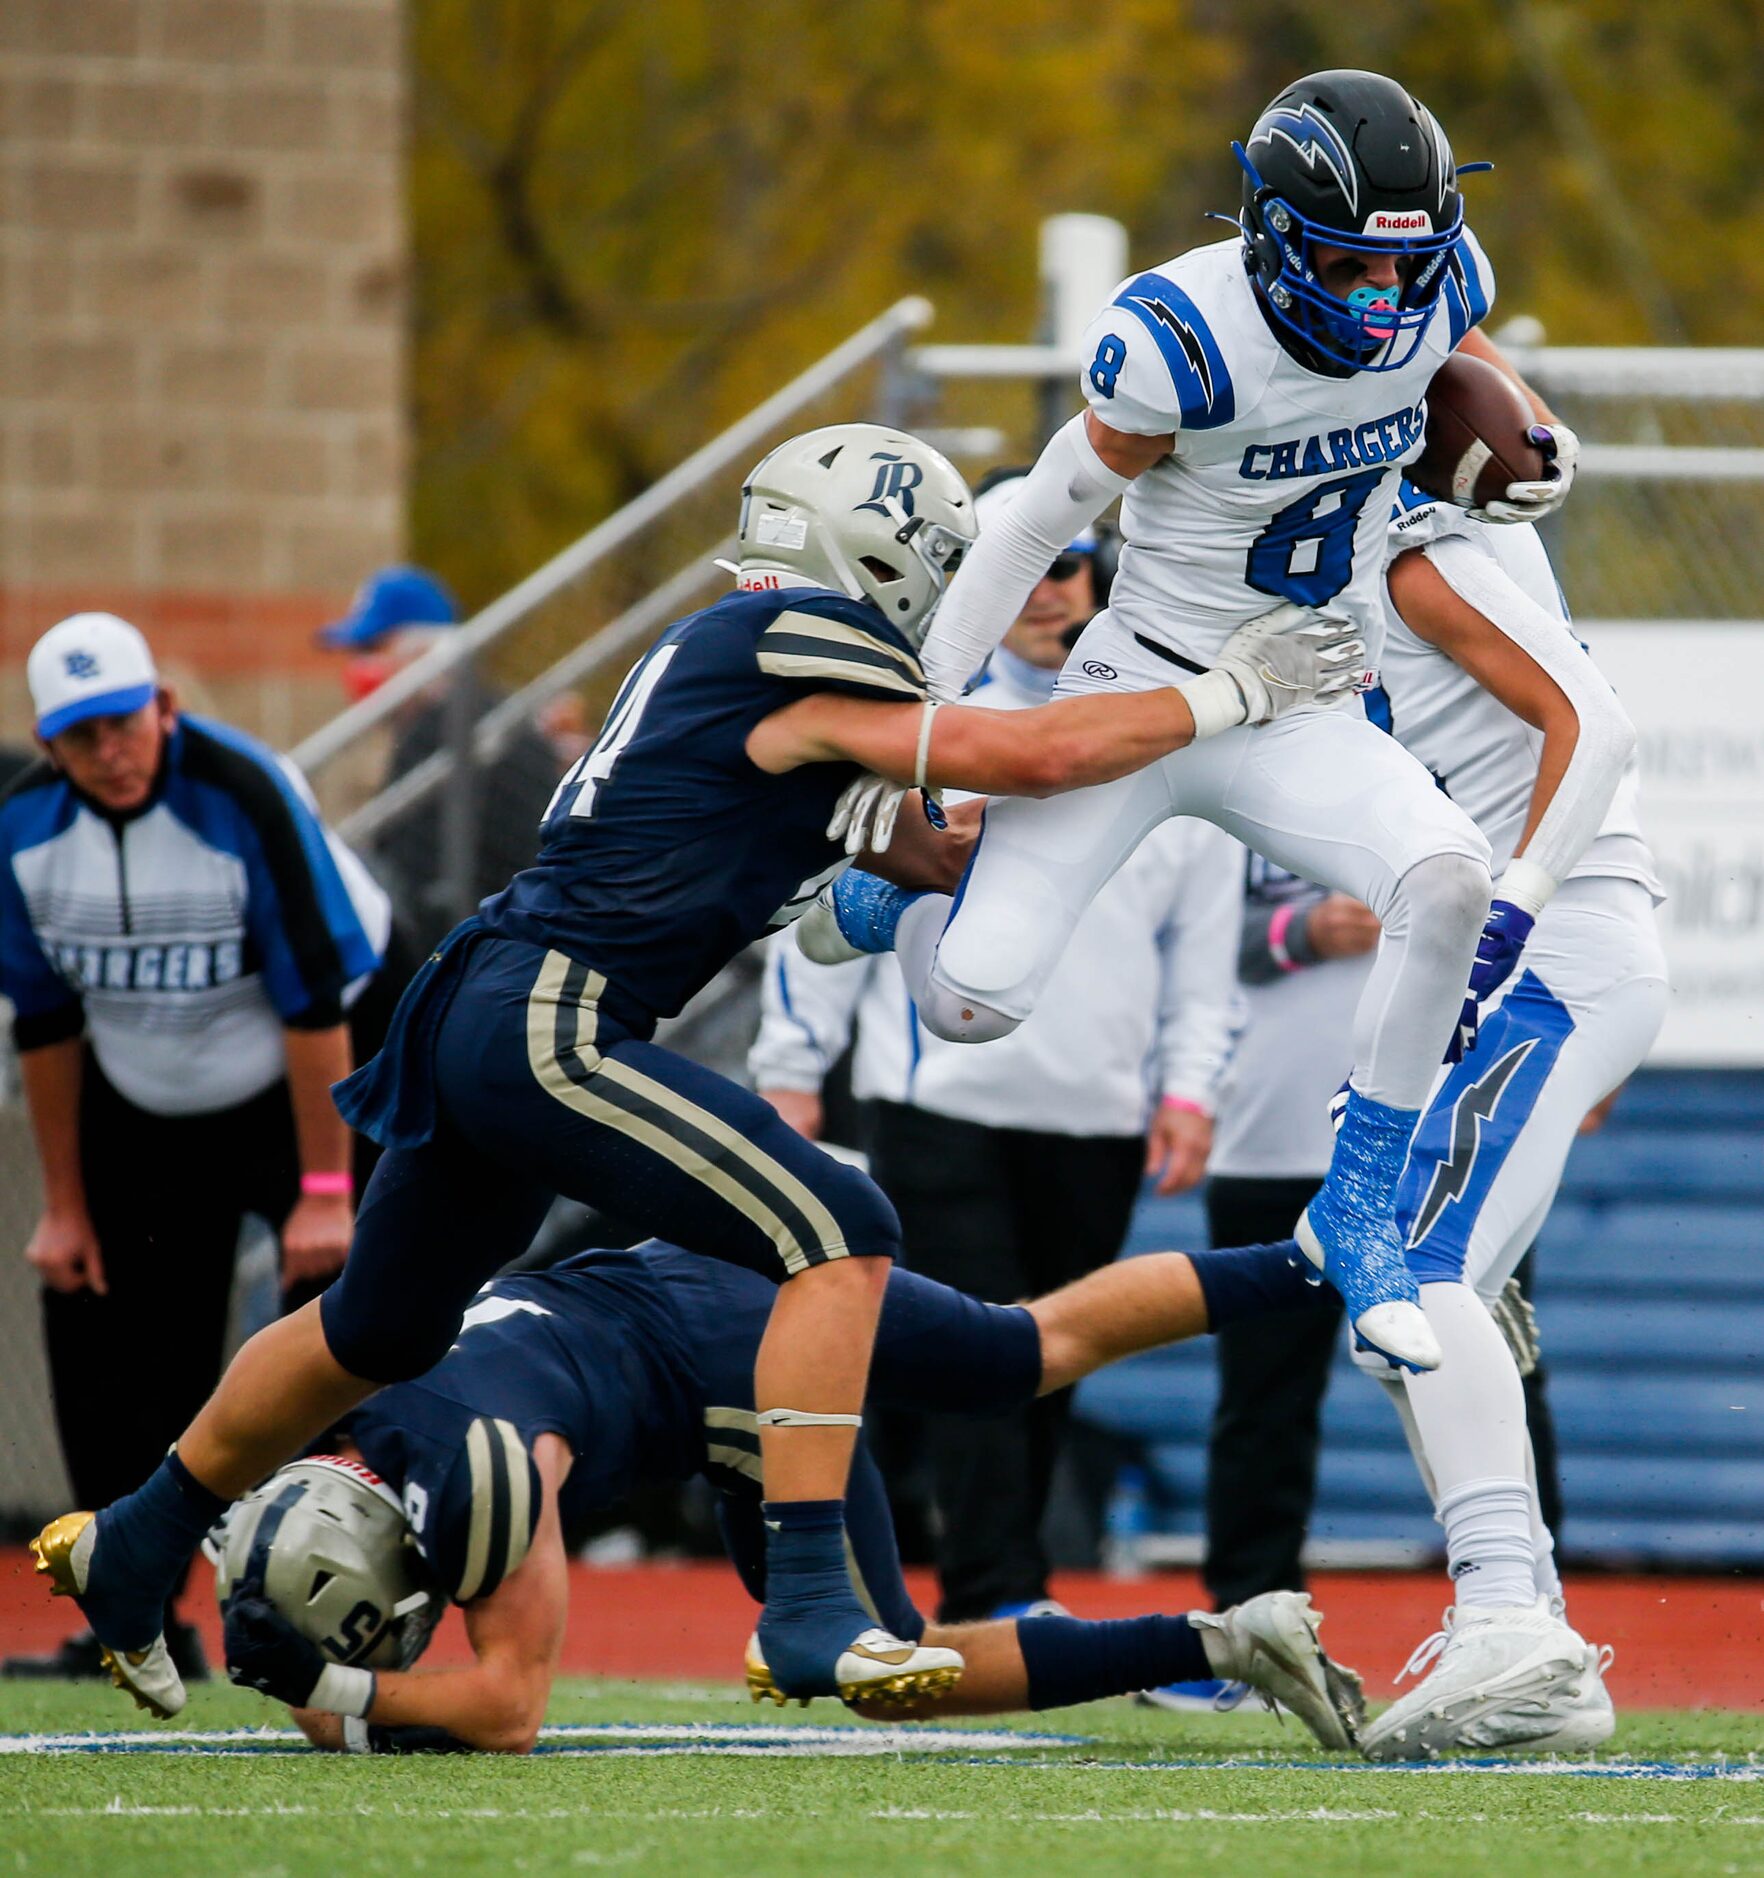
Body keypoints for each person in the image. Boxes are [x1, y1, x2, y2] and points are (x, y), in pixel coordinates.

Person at [31, 424, 1360, 1722]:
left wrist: (1001, 857)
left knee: (379, 1329)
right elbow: (1025, 750)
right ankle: (804, 1602)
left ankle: (142, 1538)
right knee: (843, 1228)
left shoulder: (745, 657)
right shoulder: (790, 639)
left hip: (489, 1007)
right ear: (889, 558)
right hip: (553, 1012)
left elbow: (926, 838)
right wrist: (1227, 693)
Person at [808, 69, 1580, 1377]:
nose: (1384, 303)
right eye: (1350, 268)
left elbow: (1468, 354)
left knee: (1447, 878)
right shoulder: (1184, 338)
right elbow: (1035, 525)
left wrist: (1543, 439)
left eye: (1408, 271)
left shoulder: (1430, 283)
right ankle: (908, 893)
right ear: (1275, 239)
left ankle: (1361, 1206)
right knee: (972, 1009)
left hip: (1302, 701)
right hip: (1144, 685)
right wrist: (924, 719)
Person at [213, 1234, 1362, 1753]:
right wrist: (337, 1689)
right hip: (684, 1278)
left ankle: (1222, 1644)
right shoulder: (340, 1396)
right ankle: (1324, 1265)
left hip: (743, 1378)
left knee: (887, 1669)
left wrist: (330, 1683)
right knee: (1028, 1348)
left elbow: (510, 1710)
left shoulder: (477, 1479)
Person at [751, 470, 1243, 1623]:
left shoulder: (1161, 729)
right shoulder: (923, 715)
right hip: (943, 1097)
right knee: (979, 1347)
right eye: (1015, 566)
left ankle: (1014, 1586)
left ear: (1098, 578)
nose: (1042, 588)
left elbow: (1200, 951)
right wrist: (789, 1063)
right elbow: (822, 888)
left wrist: (1188, 1091)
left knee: (1063, 1352)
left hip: (1096, 1109)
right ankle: (994, 1595)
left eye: (1063, 563)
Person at [0, 612, 398, 1684]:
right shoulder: (25, 833)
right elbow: (42, 1023)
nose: (110, 753)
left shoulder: (243, 794)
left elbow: (315, 998)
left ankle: (336, 1611)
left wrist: (323, 1190)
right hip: (146, 1090)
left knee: (347, 1318)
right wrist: (65, 1205)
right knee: (96, 1311)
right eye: (82, 737)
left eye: (125, 724)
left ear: (164, 710)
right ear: (51, 745)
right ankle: (127, 1614)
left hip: (301, 1077)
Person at [1351, 485, 1663, 1759]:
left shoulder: (1415, 549)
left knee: (1419, 1283)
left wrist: (1520, 914)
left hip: (1551, 951)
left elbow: (1598, 728)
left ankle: (1504, 1621)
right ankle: (1534, 1638)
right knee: (1383, 1309)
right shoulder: (1349, 546)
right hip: (1510, 966)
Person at [1136, 861, 1375, 1711]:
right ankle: (1248, 1639)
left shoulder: (1471, 746)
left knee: (1492, 1386)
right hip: (1269, 1135)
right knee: (1261, 1402)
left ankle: (1528, 1624)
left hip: (1442, 1148)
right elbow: (1164, 939)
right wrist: (1293, 933)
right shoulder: (1227, 750)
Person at [319, 566, 562, 944]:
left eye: (372, 648)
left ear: (424, 650)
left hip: (495, 942)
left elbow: (415, 884)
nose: (360, 667)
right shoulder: (479, 714)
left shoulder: (443, 730)